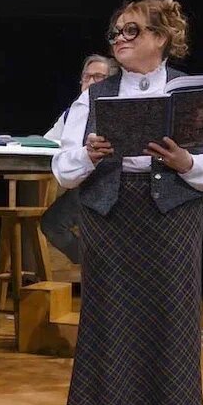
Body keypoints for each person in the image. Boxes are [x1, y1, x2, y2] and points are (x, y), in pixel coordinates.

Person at [51, 0, 203, 405]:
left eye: (131, 30)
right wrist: (89, 155)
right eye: (116, 32)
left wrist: (185, 162)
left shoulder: (194, 92)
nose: (119, 39)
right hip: (112, 215)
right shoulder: (95, 95)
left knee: (167, 317)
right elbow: (63, 169)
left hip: (172, 216)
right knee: (109, 317)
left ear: (161, 37)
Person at [40, 54, 117, 264]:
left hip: (108, 184)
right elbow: (48, 141)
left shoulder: (113, 110)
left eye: (98, 77)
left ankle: (99, 264)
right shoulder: (73, 112)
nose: (90, 82)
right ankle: (95, 264)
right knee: (53, 224)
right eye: (86, 77)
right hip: (82, 184)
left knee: (55, 223)